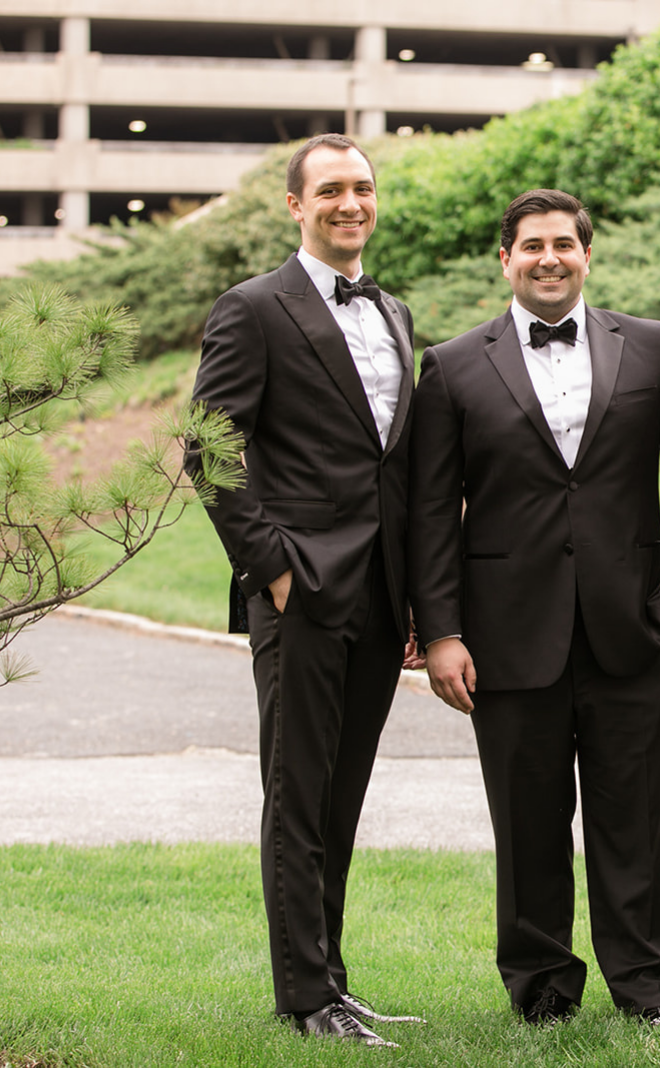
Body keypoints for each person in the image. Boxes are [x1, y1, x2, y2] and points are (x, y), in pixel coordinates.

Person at [408, 189, 660, 1029]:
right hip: (505, 639)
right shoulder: (451, 366)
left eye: (564, 244)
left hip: (631, 630)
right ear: (504, 259)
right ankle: (542, 991)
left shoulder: (654, 349)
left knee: (640, 825)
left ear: (587, 253)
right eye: (531, 246)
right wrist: (440, 630)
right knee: (528, 826)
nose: (549, 258)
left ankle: (651, 991)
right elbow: (431, 511)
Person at [186, 133, 423, 1046]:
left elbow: (394, 467)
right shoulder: (253, 309)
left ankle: (334, 981)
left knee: (342, 794)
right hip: (299, 591)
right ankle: (304, 998)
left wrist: (413, 602)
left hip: (377, 595)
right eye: (330, 190)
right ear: (295, 205)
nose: (349, 203)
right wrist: (272, 568)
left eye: (362, 188)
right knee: (297, 795)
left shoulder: (395, 312)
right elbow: (209, 447)